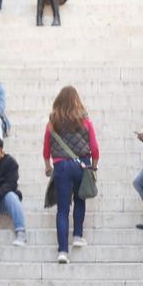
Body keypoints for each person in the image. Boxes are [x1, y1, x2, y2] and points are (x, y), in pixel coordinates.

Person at [43, 86, 100, 263]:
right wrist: (94, 167)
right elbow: (95, 148)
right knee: (80, 199)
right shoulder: (86, 122)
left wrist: (47, 166)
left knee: (62, 209)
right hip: (82, 165)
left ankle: (62, 252)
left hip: (61, 167)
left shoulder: (52, 123)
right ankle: (77, 236)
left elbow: (46, 150)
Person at [0, 137, 27, 245]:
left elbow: (11, 184)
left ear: (2, 152)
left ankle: (21, 232)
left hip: (0, 200)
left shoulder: (10, 163)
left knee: (11, 196)